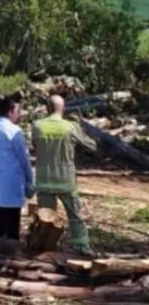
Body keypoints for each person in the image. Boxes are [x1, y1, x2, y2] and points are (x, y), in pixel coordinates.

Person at [31, 95, 99, 255]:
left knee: (45, 217)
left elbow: (35, 145)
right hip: (65, 179)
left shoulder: (38, 125)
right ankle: (81, 245)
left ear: (47, 108)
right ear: (63, 109)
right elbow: (92, 146)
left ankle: (43, 246)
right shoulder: (70, 127)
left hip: (44, 179)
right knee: (75, 215)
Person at [0, 95, 34, 240]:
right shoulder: (14, 131)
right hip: (11, 181)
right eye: (17, 110)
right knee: (11, 223)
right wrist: (30, 179)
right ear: (10, 111)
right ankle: (10, 251)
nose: (19, 114)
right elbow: (23, 158)